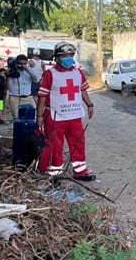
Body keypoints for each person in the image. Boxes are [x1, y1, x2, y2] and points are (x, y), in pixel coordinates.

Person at [37, 41, 96, 181]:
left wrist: (89, 104)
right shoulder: (49, 74)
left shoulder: (78, 72)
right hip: (55, 116)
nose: (68, 57)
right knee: (55, 145)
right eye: (64, 55)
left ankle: (80, 171)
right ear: (56, 58)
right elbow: (42, 96)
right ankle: (56, 173)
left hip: (75, 115)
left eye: (70, 54)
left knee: (79, 143)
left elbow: (82, 90)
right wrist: (39, 115)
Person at [6, 54, 37, 119]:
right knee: (17, 119)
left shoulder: (30, 70)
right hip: (15, 98)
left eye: (24, 63)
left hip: (28, 98)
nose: (22, 65)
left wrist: (28, 70)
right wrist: (7, 77)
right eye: (20, 63)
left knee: (33, 116)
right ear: (16, 63)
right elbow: (7, 88)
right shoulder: (13, 71)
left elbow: (36, 79)